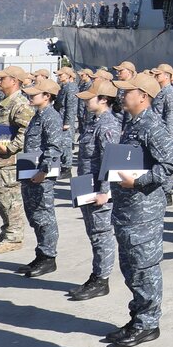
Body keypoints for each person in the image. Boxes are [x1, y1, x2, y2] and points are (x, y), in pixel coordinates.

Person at [103, 71, 173, 347]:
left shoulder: (152, 126)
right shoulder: (133, 123)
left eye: (128, 91)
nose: (123, 95)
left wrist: (138, 180)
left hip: (144, 210)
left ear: (143, 97)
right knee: (131, 266)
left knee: (144, 266)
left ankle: (148, 323)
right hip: (128, 209)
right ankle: (138, 316)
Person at [69, 79, 122, 301]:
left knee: (102, 235)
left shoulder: (108, 125)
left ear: (103, 99)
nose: (85, 102)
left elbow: (112, 160)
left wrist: (105, 191)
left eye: (90, 98)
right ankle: (97, 274)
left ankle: (101, 279)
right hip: (86, 185)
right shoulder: (94, 122)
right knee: (93, 233)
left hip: (99, 189)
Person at [16, 77, 66, 278]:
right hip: (31, 171)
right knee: (35, 215)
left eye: (34, 94)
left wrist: (43, 171)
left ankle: (48, 257)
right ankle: (41, 253)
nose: (29, 96)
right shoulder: (38, 115)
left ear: (47, 96)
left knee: (44, 216)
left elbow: (54, 148)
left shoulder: (51, 117)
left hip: (40, 174)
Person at [0, 67, 35, 255]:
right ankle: (7, 232)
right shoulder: (4, 101)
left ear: (14, 80)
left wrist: (12, 147)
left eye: (2, 78)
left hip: (9, 161)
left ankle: (14, 238)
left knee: (10, 200)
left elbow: (26, 130)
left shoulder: (20, 104)